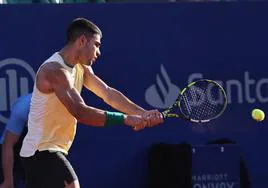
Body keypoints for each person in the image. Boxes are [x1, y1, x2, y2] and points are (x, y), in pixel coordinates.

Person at [20, 17, 163, 188]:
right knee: (72, 185)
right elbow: (80, 111)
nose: (98, 52)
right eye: (96, 45)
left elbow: (108, 94)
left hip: (49, 151)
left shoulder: (81, 67)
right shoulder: (54, 70)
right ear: (82, 41)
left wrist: (143, 114)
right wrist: (126, 119)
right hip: (40, 151)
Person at [0, 93, 32, 188]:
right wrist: (8, 180)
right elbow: (8, 144)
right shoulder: (24, 106)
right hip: (13, 147)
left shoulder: (63, 104)